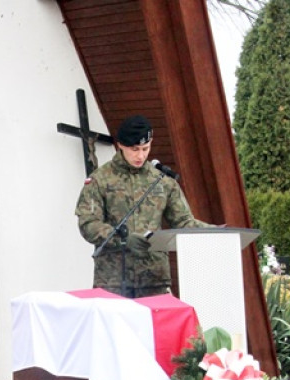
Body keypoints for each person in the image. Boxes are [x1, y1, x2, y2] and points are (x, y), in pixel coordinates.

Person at [76, 115, 211, 299]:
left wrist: (215, 232)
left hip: (154, 279)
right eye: (134, 149)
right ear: (120, 145)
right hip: (113, 279)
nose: (140, 155)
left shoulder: (163, 181)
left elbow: (183, 222)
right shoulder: (100, 180)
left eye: (145, 148)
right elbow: (88, 224)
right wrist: (121, 238)